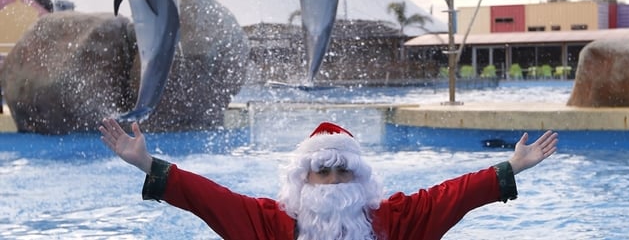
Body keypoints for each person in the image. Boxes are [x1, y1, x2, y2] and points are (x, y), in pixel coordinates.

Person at [99, 118, 558, 240]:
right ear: (305, 180)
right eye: (323, 172)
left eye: (343, 171)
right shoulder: (270, 225)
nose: (334, 181)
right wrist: (146, 163)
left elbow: (453, 196)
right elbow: (207, 198)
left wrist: (511, 167)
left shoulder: (391, 222)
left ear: (360, 179)